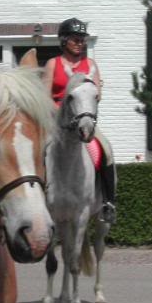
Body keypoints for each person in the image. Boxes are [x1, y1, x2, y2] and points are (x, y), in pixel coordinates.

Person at [43, 17, 116, 223]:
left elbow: (97, 95)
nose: (80, 42)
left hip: (83, 120)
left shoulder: (90, 65)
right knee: (35, 150)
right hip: (57, 124)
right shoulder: (52, 64)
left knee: (105, 150)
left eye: (82, 39)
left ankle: (108, 202)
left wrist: (84, 103)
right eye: (75, 39)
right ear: (64, 40)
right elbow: (44, 96)